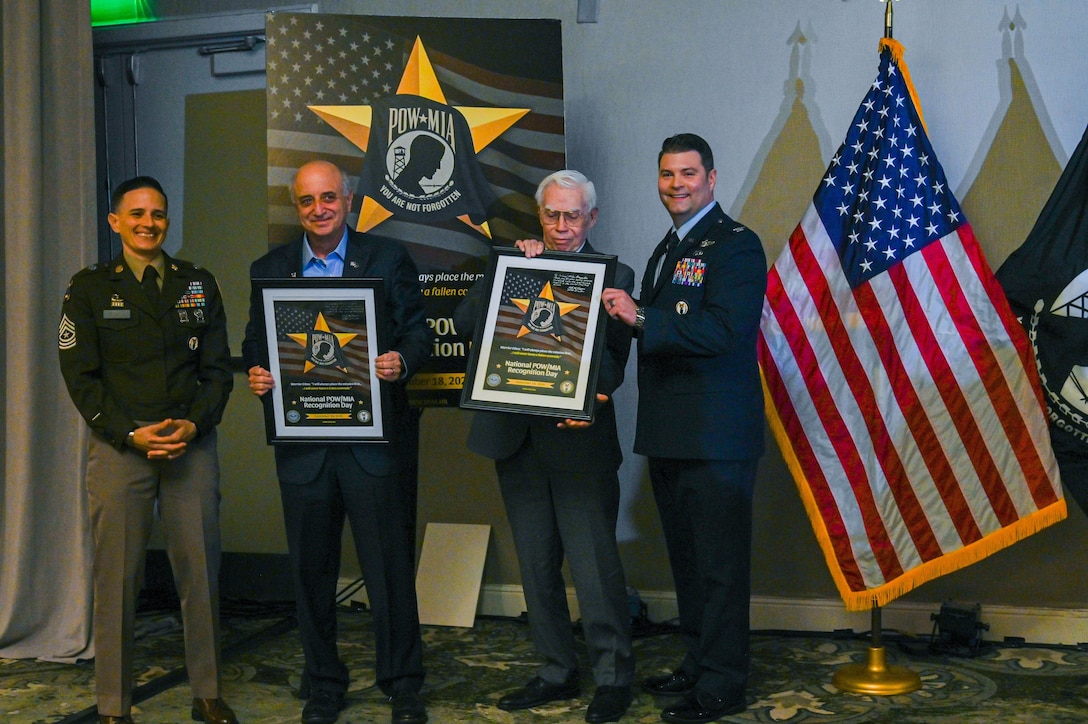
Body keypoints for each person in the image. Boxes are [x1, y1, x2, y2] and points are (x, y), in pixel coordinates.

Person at [241, 160, 431, 724]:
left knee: (389, 570)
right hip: (304, 449)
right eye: (307, 201)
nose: (318, 209)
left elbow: (417, 329)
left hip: (373, 445)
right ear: (295, 206)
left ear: (348, 201)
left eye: (329, 198)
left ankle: (403, 684)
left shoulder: (387, 258)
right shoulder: (270, 268)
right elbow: (257, 341)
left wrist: (403, 360)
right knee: (311, 573)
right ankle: (323, 682)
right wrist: (258, 372)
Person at [454, 170, 636, 723]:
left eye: (572, 215)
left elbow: (613, 360)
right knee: (535, 566)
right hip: (519, 440)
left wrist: (596, 397)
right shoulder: (512, 264)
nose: (561, 226)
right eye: (552, 214)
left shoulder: (615, 274)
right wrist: (514, 272)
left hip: (578, 441)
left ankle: (612, 678)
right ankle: (556, 670)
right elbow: (465, 326)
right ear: (541, 215)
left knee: (595, 568)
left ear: (591, 218)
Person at [57, 176, 236, 724]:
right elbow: (79, 375)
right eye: (135, 214)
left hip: (189, 444)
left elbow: (217, 372)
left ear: (166, 221)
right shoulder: (88, 288)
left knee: (201, 573)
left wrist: (193, 424)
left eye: (157, 214)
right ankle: (114, 704)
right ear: (115, 222)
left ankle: (207, 692)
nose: (147, 223)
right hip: (121, 447)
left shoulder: (197, 284)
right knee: (116, 579)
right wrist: (127, 433)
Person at [601, 134, 767, 724]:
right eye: (668, 174)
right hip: (673, 434)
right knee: (690, 563)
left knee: (720, 567)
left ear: (712, 179)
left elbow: (724, 331)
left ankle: (723, 683)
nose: (677, 184)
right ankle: (698, 662)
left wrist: (641, 314)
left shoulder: (736, 247)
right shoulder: (668, 248)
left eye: (689, 173)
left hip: (717, 437)